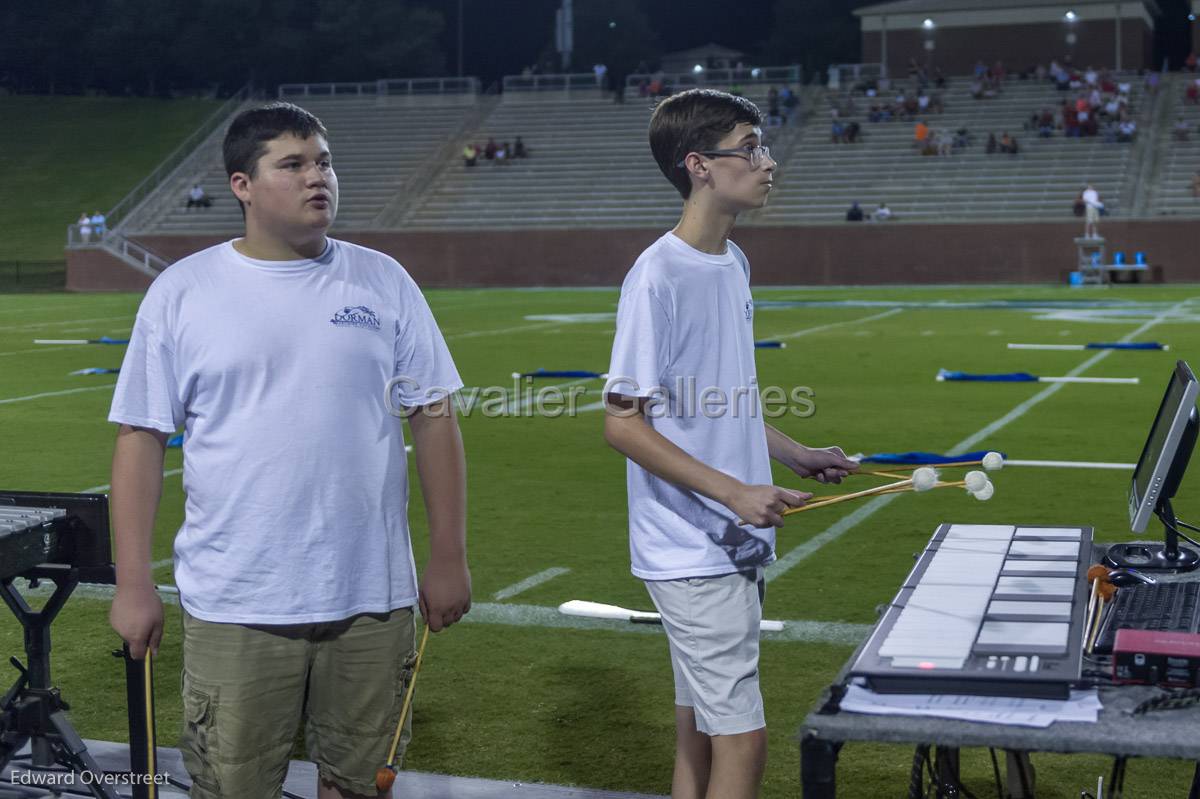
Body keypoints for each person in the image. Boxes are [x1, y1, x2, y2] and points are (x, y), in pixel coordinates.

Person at [108, 102, 471, 799]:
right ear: (243, 184)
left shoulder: (383, 279)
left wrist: (448, 555)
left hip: (373, 595)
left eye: (325, 162)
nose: (319, 179)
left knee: (361, 784)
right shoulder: (183, 292)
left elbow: (433, 417)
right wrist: (132, 581)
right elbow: (141, 438)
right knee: (233, 786)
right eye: (294, 164)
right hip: (238, 599)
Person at [604, 88, 856, 799]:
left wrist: (793, 451)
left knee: (701, 732)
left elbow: (720, 402)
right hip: (693, 546)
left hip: (725, 539)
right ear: (699, 166)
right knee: (744, 743)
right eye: (749, 148)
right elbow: (622, 422)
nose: (767, 162)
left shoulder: (732, 262)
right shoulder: (659, 274)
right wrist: (735, 491)